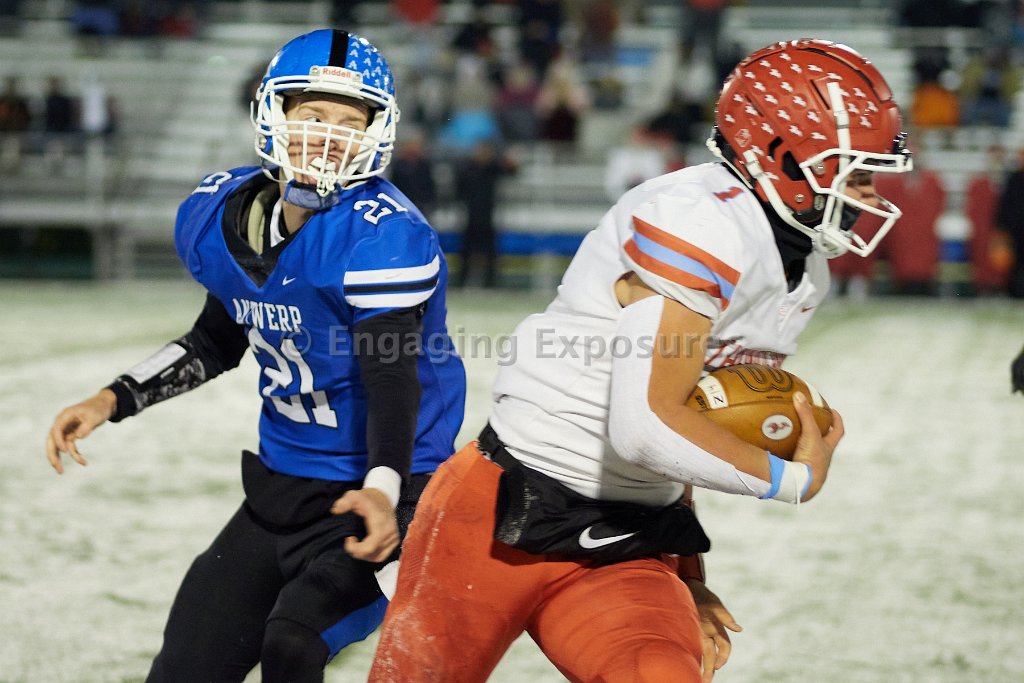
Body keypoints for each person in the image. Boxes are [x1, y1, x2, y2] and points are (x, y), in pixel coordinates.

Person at [369, 39, 912, 683]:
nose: (868, 192)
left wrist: (686, 571)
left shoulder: (802, 267)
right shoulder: (699, 220)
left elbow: (698, 410)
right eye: (855, 172)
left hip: (625, 538)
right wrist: (789, 479)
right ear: (782, 156)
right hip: (500, 511)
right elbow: (646, 423)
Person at [44, 29, 466, 683]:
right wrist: (112, 398)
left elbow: (392, 376)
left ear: (375, 133)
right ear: (275, 115)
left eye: (349, 122)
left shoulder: (384, 234)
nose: (328, 136)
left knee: (294, 641)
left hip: (388, 487)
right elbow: (217, 338)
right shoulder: (224, 211)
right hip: (283, 483)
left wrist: (384, 489)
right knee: (184, 666)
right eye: (313, 115)